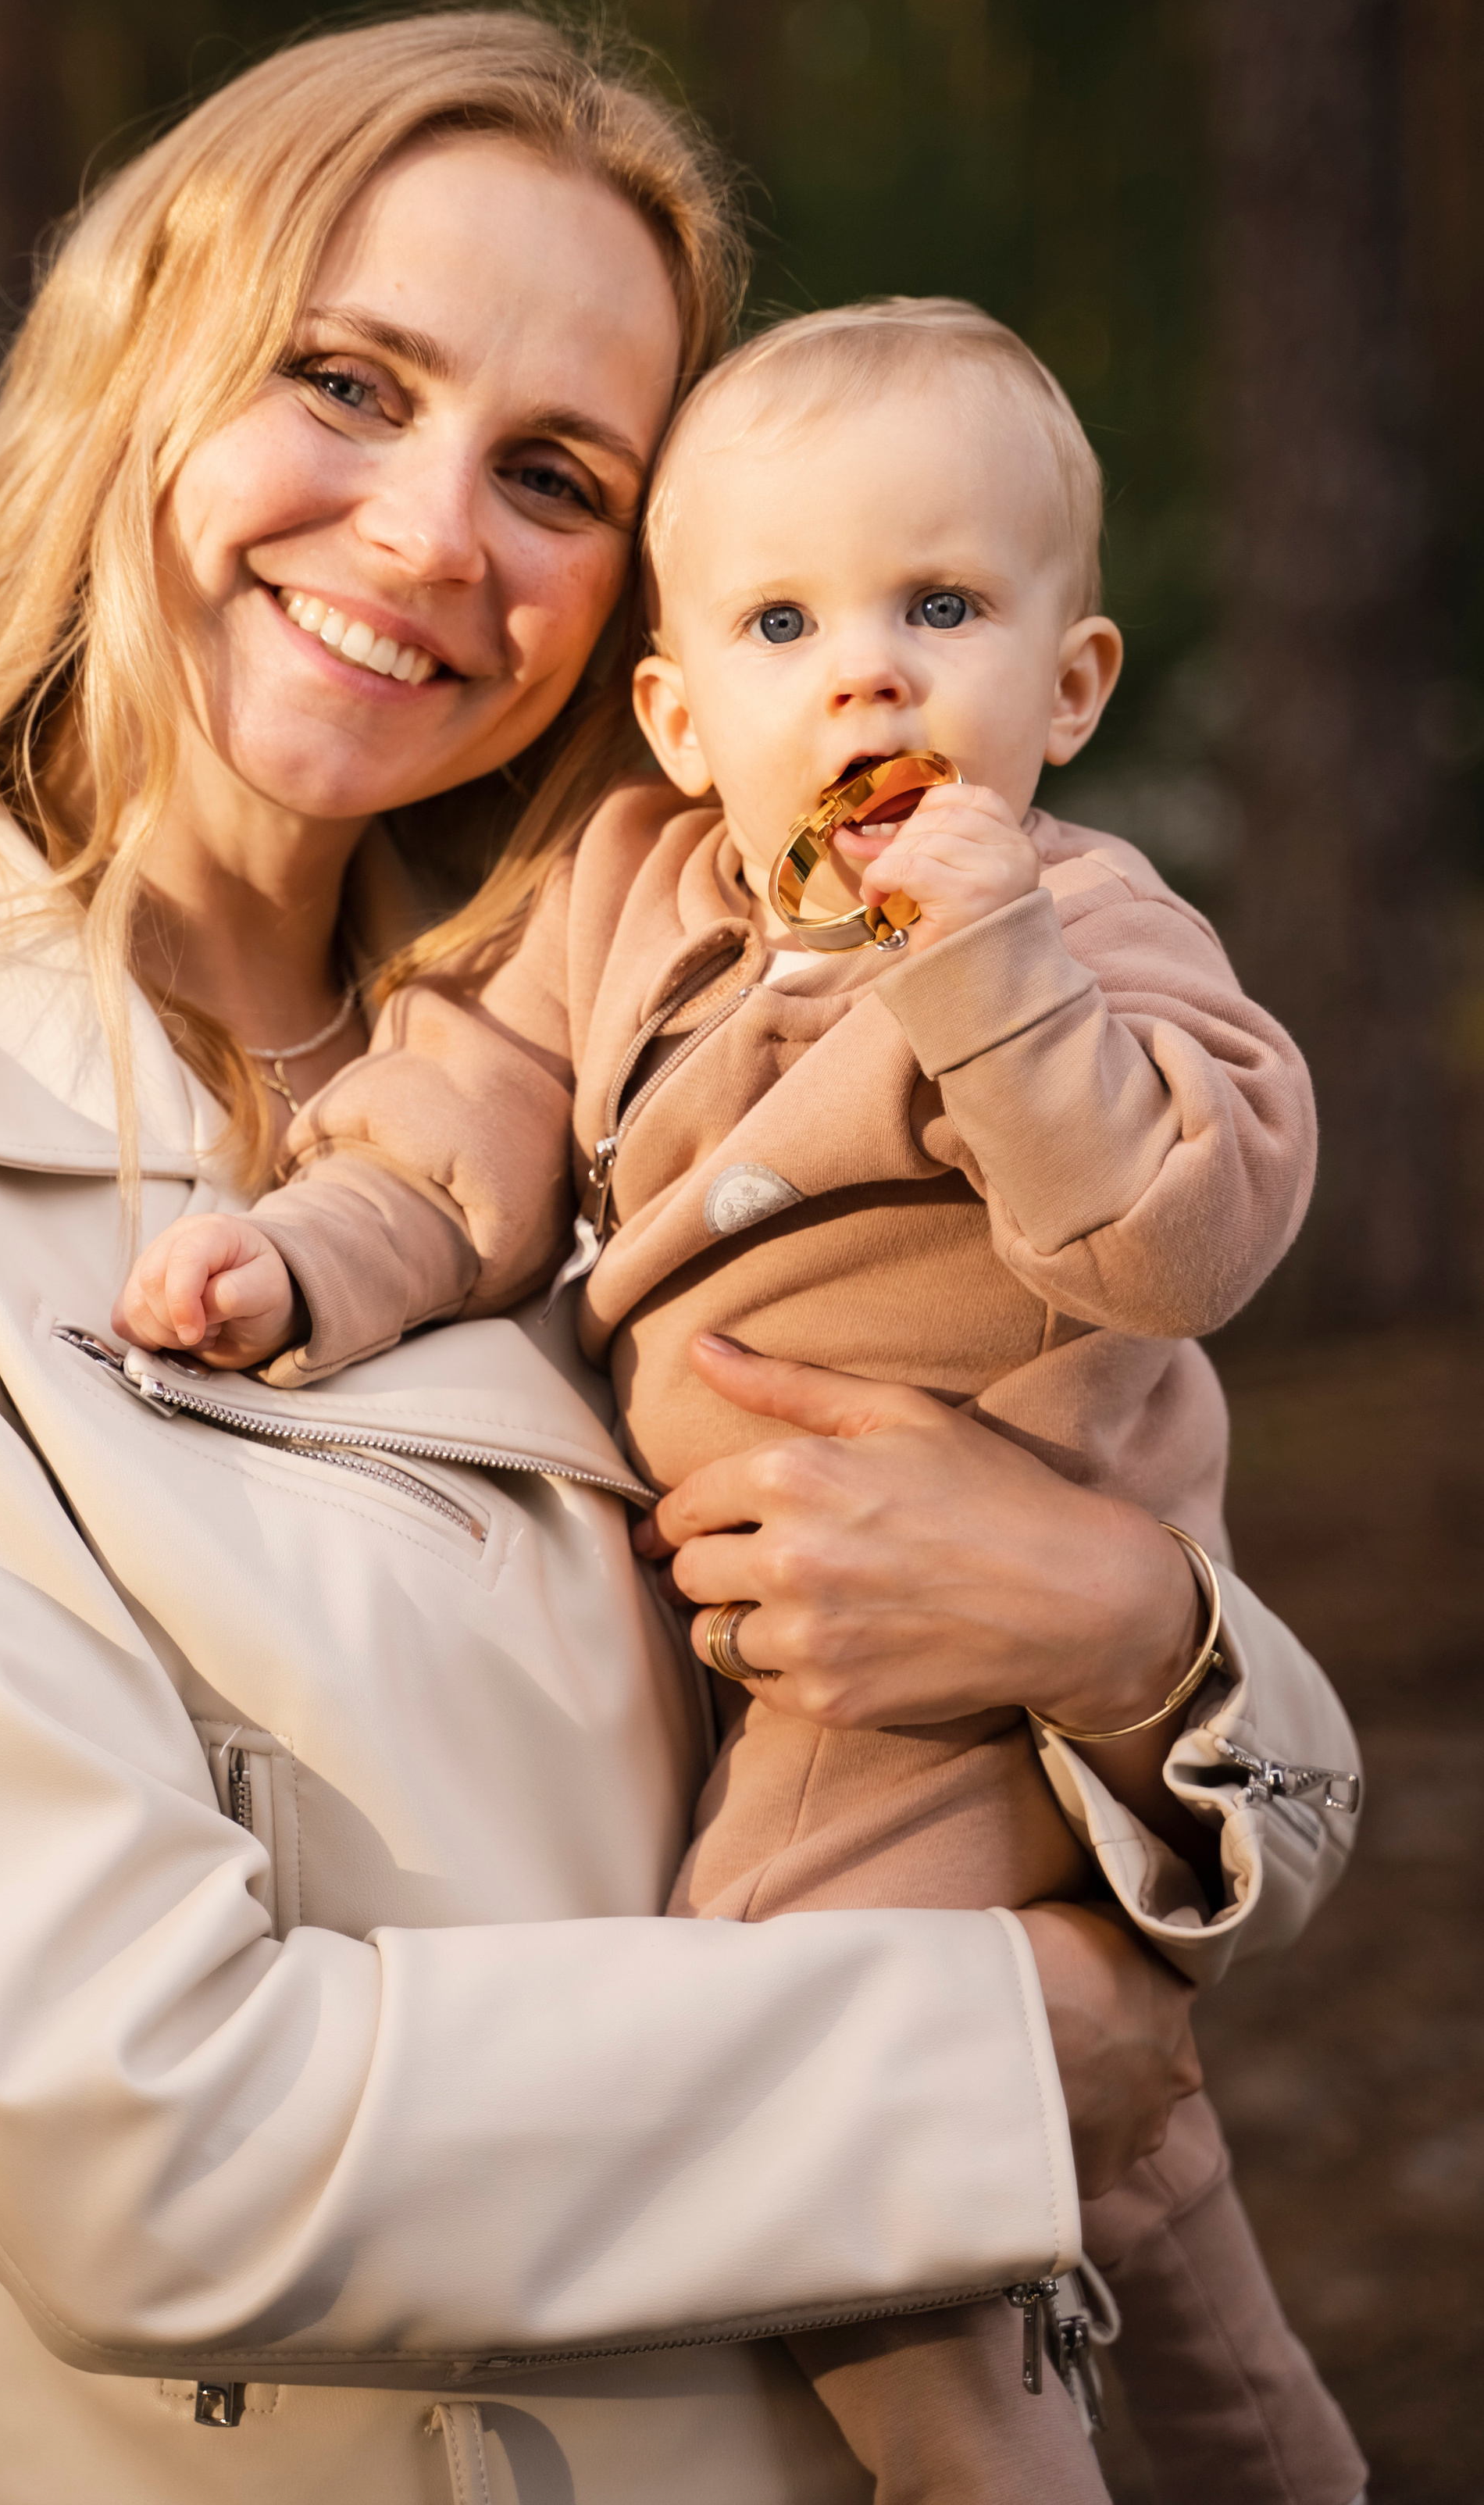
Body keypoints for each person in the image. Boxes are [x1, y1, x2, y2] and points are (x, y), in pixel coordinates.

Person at [0, 10, 1360, 2505]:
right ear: (138, 382)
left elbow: (1264, 1776)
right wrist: (989, 2061)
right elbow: (135, 2141)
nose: (429, 539)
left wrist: (1124, 1632)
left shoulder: (672, 1008)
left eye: (551, 473)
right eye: (343, 381)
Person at [123, 296, 1369, 2503]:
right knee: (1134, 2159)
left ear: (1070, 689)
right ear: (682, 718)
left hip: (942, 1651)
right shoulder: (628, 892)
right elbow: (465, 1120)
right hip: (779, 1624)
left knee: (822, 2106)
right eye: (788, 619)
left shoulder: (1093, 927)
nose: (868, 673)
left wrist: (990, 968)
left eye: (944, 606)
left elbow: (1179, 1236)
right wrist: (309, 1252)